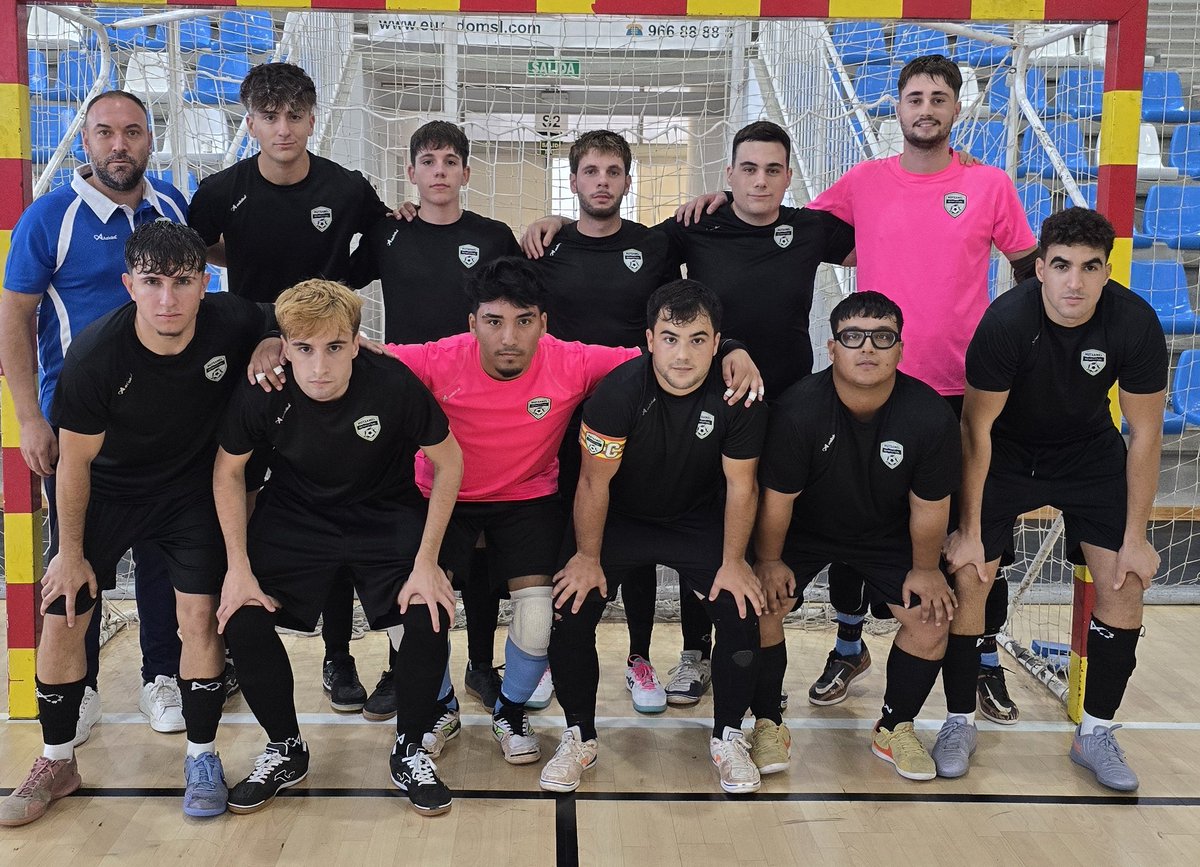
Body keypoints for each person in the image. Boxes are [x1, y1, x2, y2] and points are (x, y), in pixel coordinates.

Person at [678, 56, 1039, 723]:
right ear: (895, 109)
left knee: (975, 532)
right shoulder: (863, 183)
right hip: (860, 383)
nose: (925, 107)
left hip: (957, 389)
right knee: (845, 510)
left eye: (938, 97)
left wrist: (1019, 350)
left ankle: (984, 654)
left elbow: (1028, 269)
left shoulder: (989, 186)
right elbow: (781, 228)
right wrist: (715, 206)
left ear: (957, 109)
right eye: (913, 97)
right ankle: (848, 645)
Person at [523, 121, 854, 705]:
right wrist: (552, 224)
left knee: (744, 537)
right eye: (747, 169)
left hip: (778, 405)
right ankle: (649, 655)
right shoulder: (693, 228)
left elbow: (880, 237)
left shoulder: (808, 229)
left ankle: (743, 671)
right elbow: (612, 246)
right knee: (629, 519)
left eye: (772, 169)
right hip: (668, 401)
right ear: (727, 177)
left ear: (789, 175)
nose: (759, 179)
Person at [384, 257, 761, 766]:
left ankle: (510, 711)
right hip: (443, 498)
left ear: (543, 322)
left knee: (542, 617)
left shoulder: (576, 362)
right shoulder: (435, 359)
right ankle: (441, 706)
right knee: (408, 611)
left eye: (524, 321)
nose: (509, 337)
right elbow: (352, 355)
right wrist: (274, 342)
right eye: (494, 322)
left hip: (526, 498)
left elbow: (668, 350)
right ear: (472, 324)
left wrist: (734, 349)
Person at [0, 222, 274, 826]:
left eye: (182, 282)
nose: (167, 299)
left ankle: (202, 757)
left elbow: (286, 313)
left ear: (206, 282)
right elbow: (73, 464)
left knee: (199, 617)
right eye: (151, 283)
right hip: (106, 491)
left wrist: (272, 340)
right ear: (129, 285)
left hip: (189, 492)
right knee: (65, 610)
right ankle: (57, 758)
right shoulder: (96, 354)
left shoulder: (234, 320)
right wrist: (69, 553)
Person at [188, 61, 393, 714]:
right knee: (243, 496)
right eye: (269, 117)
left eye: (294, 116)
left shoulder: (347, 186)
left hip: (329, 361)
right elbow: (197, 257)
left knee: (337, 496)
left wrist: (317, 319)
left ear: (311, 119)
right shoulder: (222, 189)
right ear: (249, 122)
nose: (282, 129)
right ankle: (232, 650)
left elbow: (381, 243)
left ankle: (341, 655)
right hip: (253, 363)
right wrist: (260, 300)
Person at [214, 279, 463, 816]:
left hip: (383, 514)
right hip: (296, 517)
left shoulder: (392, 383)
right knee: (242, 615)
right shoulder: (265, 389)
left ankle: (412, 746)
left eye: (333, 347)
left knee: (429, 614)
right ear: (284, 345)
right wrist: (237, 567)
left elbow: (450, 462)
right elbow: (228, 471)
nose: (318, 366)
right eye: (303, 349)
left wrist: (426, 562)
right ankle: (285, 747)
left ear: (356, 341)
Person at [944, 207, 1168, 789]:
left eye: (1090, 268)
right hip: (1007, 451)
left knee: (1124, 580)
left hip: (1087, 454)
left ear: (1106, 271)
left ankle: (1094, 733)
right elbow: (976, 432)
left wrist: (1137, 538)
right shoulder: (1005, 323)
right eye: (1062, 266)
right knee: (970, 574)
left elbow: (1144, 435)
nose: (1075, 281)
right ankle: (959, 720)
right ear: (1038, 268)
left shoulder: (1135, 323)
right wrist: (968, 527)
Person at [0, 89, 194, 741]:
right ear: (85, 140)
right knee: (75, 558)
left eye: (133, 132)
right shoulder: (49, 217)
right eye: (106, 132)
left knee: (165, 561)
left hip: (165, 429)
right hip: (77, 429)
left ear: (148, 138)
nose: (120, 144)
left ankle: (160, 676)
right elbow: (15, 317)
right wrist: (28, 416)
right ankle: (75, 688)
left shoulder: (170, 204)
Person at [542, 279, 767, 795]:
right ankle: (579, 736)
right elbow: (593, 481)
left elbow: (742, 485)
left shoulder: (740, 398)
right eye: (670, 338)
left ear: (717, 343)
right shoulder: (618, 392)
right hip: (621, 517)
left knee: (739, 610)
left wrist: (734, 561)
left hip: (694, 519)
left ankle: (729, 737)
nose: (682, 354)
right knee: (571, 606)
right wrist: (586, 556)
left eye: (696, 339)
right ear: (649, 339)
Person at [350, 119, 521, 722]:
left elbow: (521, 304)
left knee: (473, 540)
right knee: (407, 538)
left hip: (475, 403)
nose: (440, 171)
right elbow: (336, 289)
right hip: (403, 398)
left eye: (451, 161)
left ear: (467, 173)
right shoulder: (387, 234)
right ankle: (406, 668)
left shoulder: (495, 234)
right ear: (412, 173)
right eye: (429, 161)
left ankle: (480, 663)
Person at [753, 291, 960, 781]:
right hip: (806, 530)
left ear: (900, 348)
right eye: (853, 337)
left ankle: (895, 726)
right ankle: (766, 722)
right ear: (832, 348)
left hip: (886, 534)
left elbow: (930, 509)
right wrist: (768, 560)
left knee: (932, 617)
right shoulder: (798, 409)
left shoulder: (929, 415)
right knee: (758, 602)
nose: (868, 348)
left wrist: (926, 569)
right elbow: (777, 502)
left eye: (882, 337)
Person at [532, 130, 684, 714]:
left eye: (612, 171)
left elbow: (689, 300)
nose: (601, 181)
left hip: (640, 410)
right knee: (567, 532)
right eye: (590, 171)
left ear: (627, 180)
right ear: (572, 182)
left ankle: (639, 656)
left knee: (635, 536)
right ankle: (554, 651)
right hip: (562, 414)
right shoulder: (547, 246)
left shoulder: (655, 245)